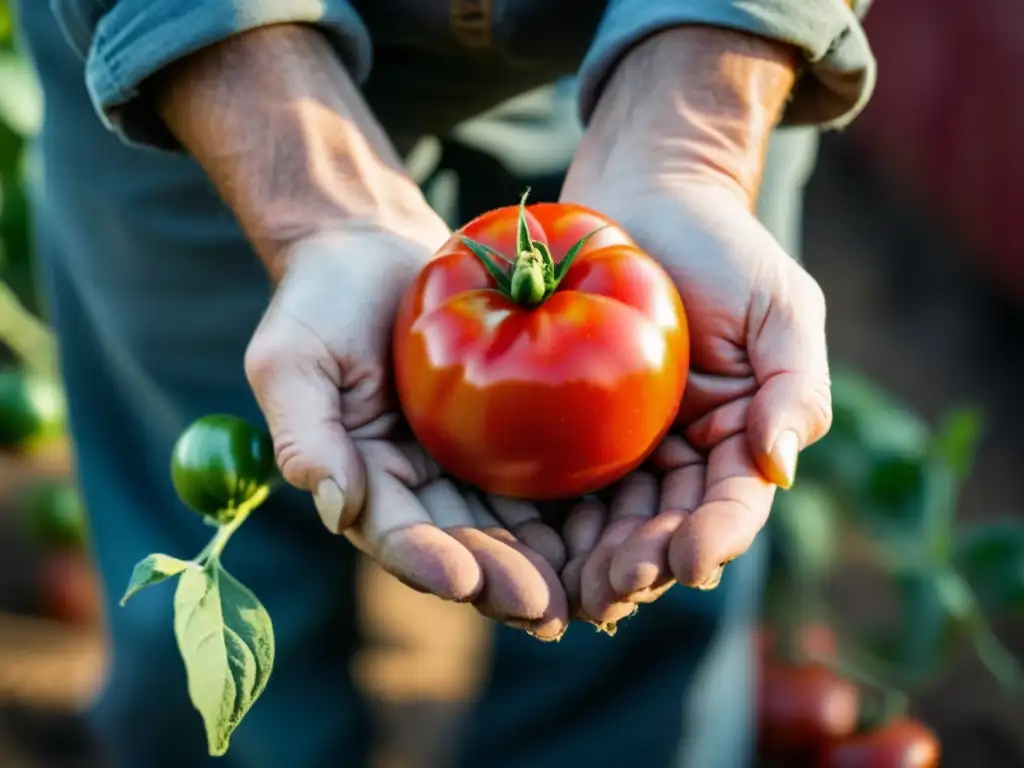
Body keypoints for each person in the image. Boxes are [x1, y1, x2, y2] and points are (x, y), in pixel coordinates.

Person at [14, 1, 875, 766]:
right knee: (217, 539)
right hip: (192, 59)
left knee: (651, 627)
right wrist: (305, 191)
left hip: (660, 43)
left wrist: (695, 139)